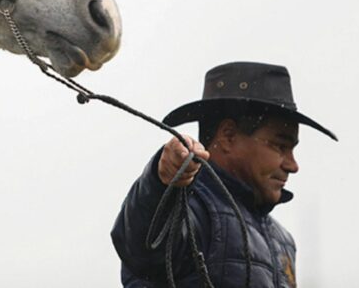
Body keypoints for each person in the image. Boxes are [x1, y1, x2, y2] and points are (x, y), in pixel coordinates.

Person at [111, 61, 337, 288]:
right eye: (280, 146)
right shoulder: (189, 207)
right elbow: (143, 250)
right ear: (228, 136)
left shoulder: (283, 241)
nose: (293, 164)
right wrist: (162, 181)